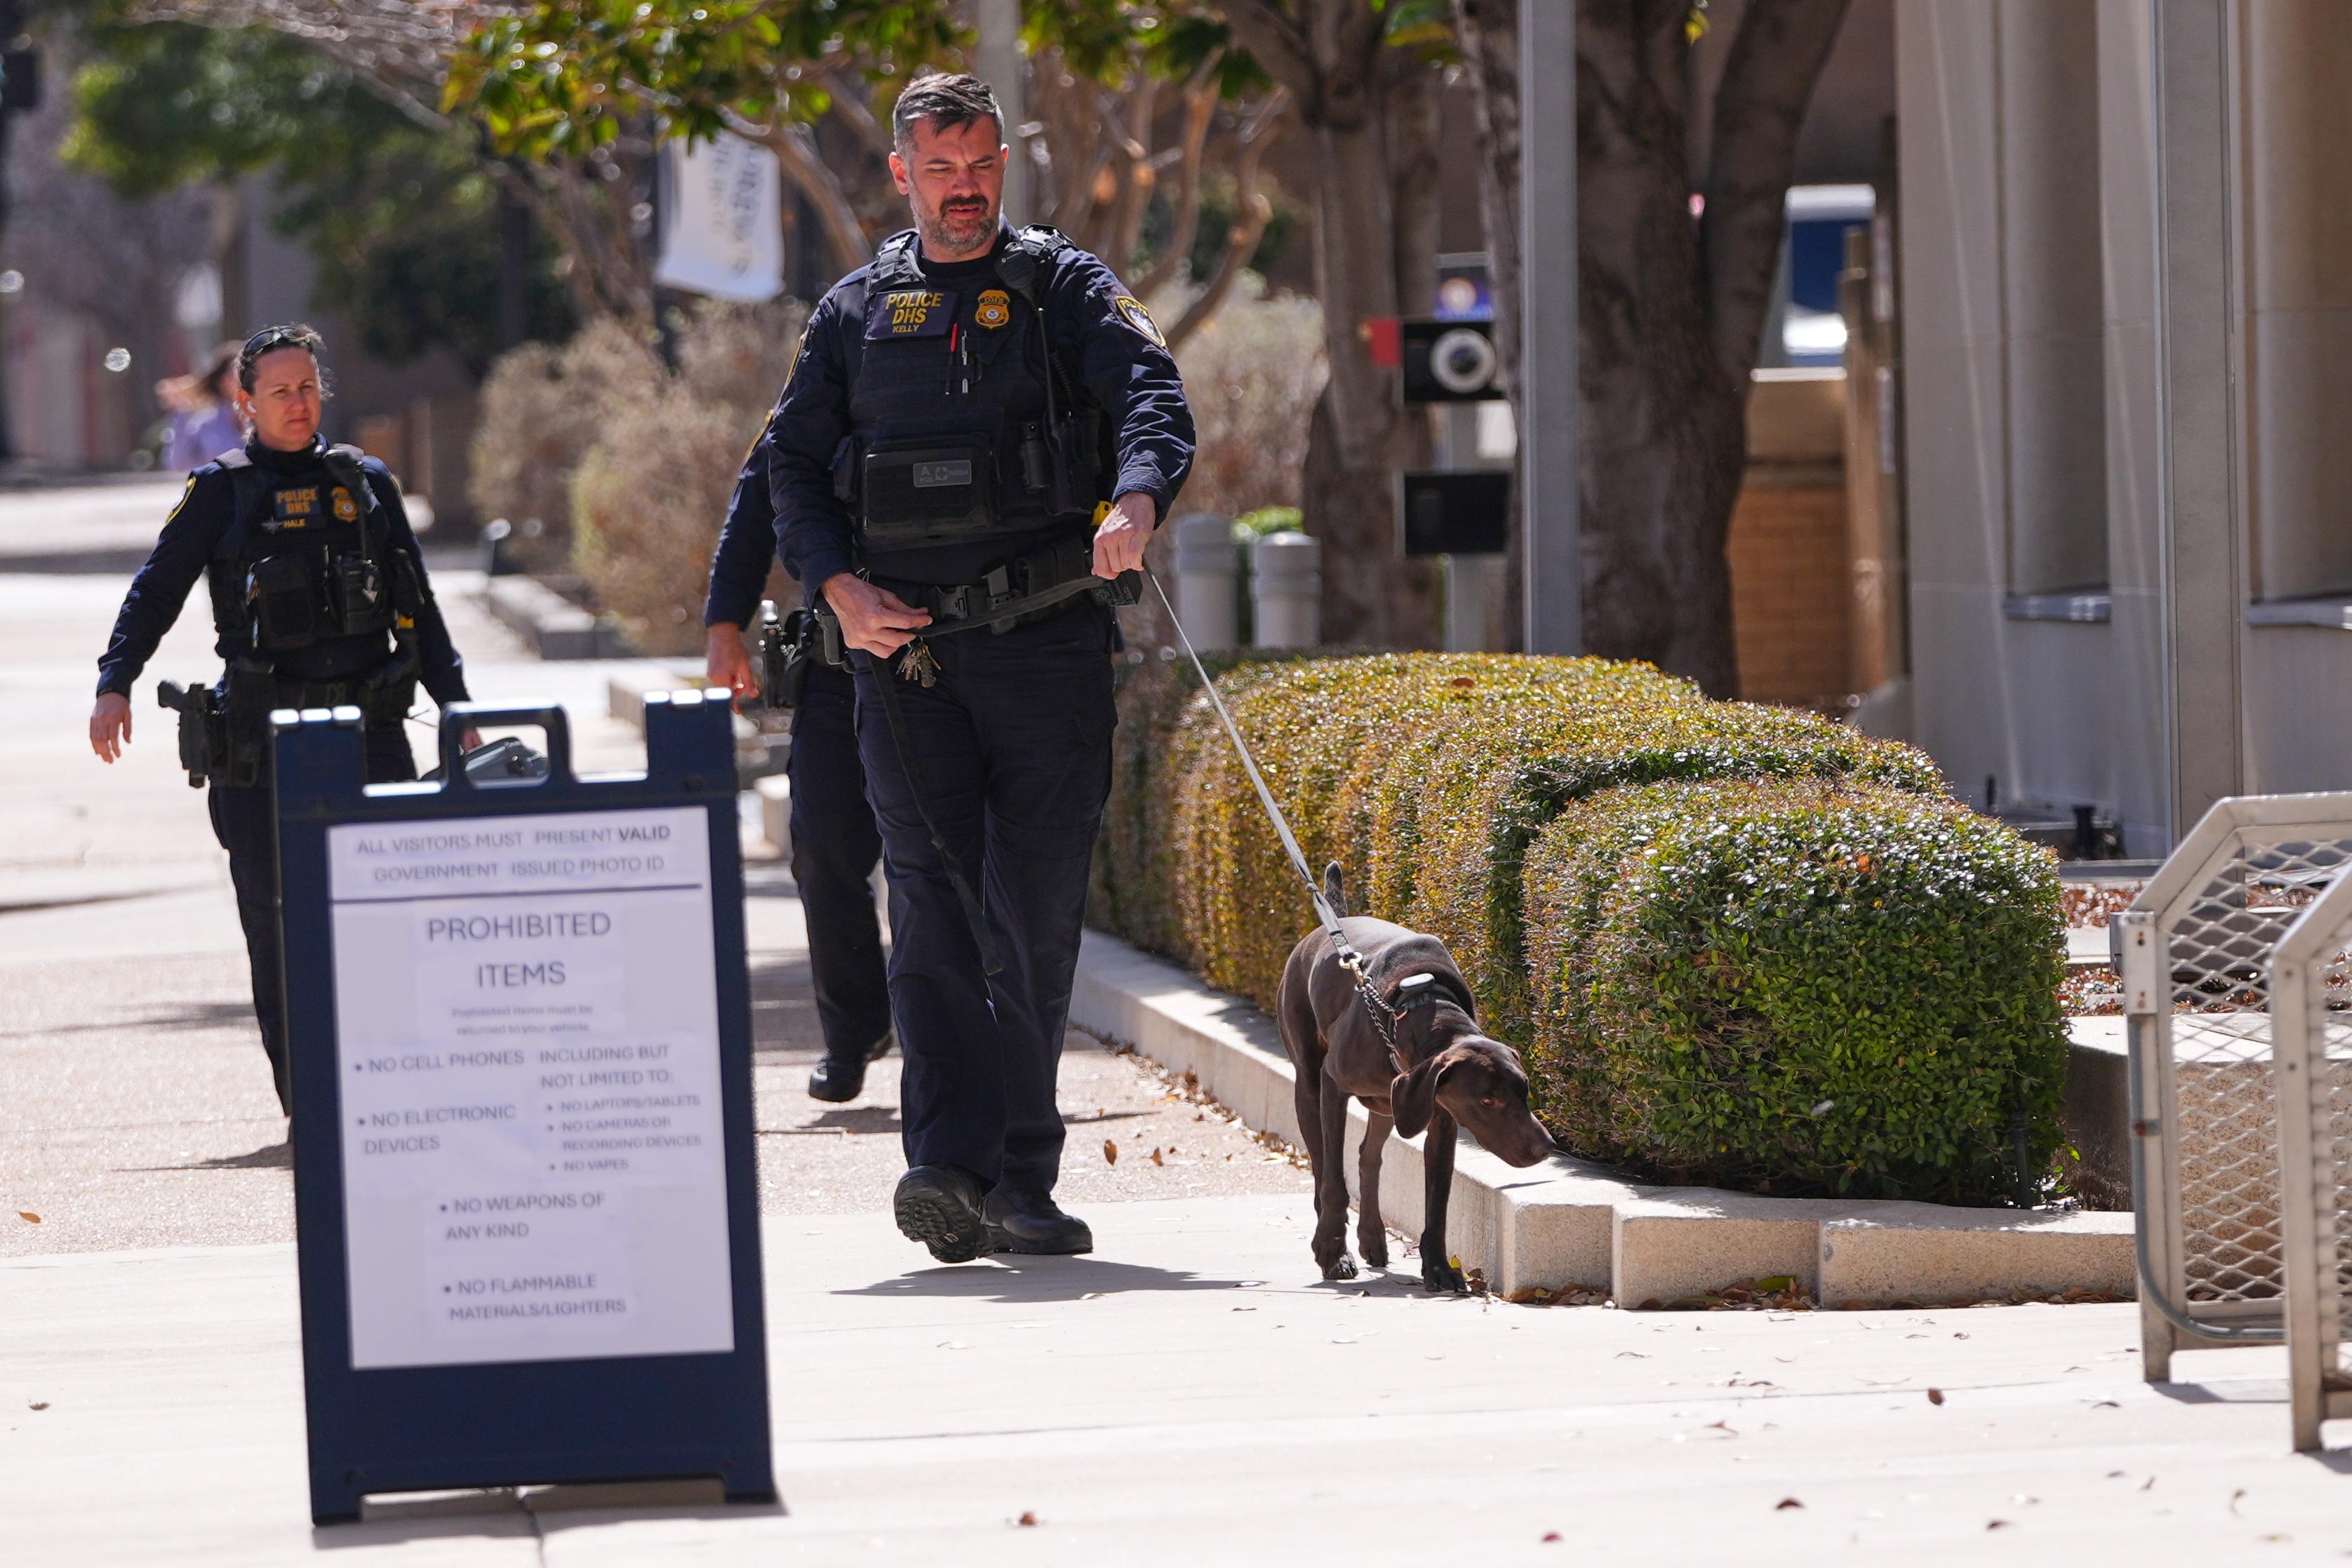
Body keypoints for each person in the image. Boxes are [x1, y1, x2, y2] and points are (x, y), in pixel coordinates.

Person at [764, 72, 1194, 1262]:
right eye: (941, 172)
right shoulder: (853, 313)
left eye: (982, 167)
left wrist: (1138, 502)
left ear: (1005, 164)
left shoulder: (1064, 290)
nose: (965, 192)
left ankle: (1020, 1176)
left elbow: (1153, 399)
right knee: (934, 909)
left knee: (1033, 917)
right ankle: (946, 1169)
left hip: (1050, 647)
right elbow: (790, 469)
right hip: (908, 667)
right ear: (900, 175)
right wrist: (838, 590)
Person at [88, 324, 474, 1115]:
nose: (298, 405)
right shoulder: (221, 492)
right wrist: (116, 681)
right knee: (279, 931)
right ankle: (309, 1102)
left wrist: (456, 704)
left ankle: (392, 1095)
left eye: (308, 389)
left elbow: (418, 606)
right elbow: (155, 590)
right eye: (279, 393)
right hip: (265, 751)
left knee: (389, 925)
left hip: (371, 737)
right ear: (245, 405)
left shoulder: (365, 483)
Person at [705, 438, 900, 1103]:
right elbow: (756, 504)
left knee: (936, 860)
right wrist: (724, 625)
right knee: (822, 849)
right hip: (838, 668)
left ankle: (960, 1041)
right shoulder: (821, 375)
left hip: (950, 657)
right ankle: (854, 1033)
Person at [158, 341, 247, 472]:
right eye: (236, 373)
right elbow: (180, 464)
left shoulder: (265, 419)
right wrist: (181, 411)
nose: (242, 379)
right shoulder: (205, 425)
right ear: (222, 381)